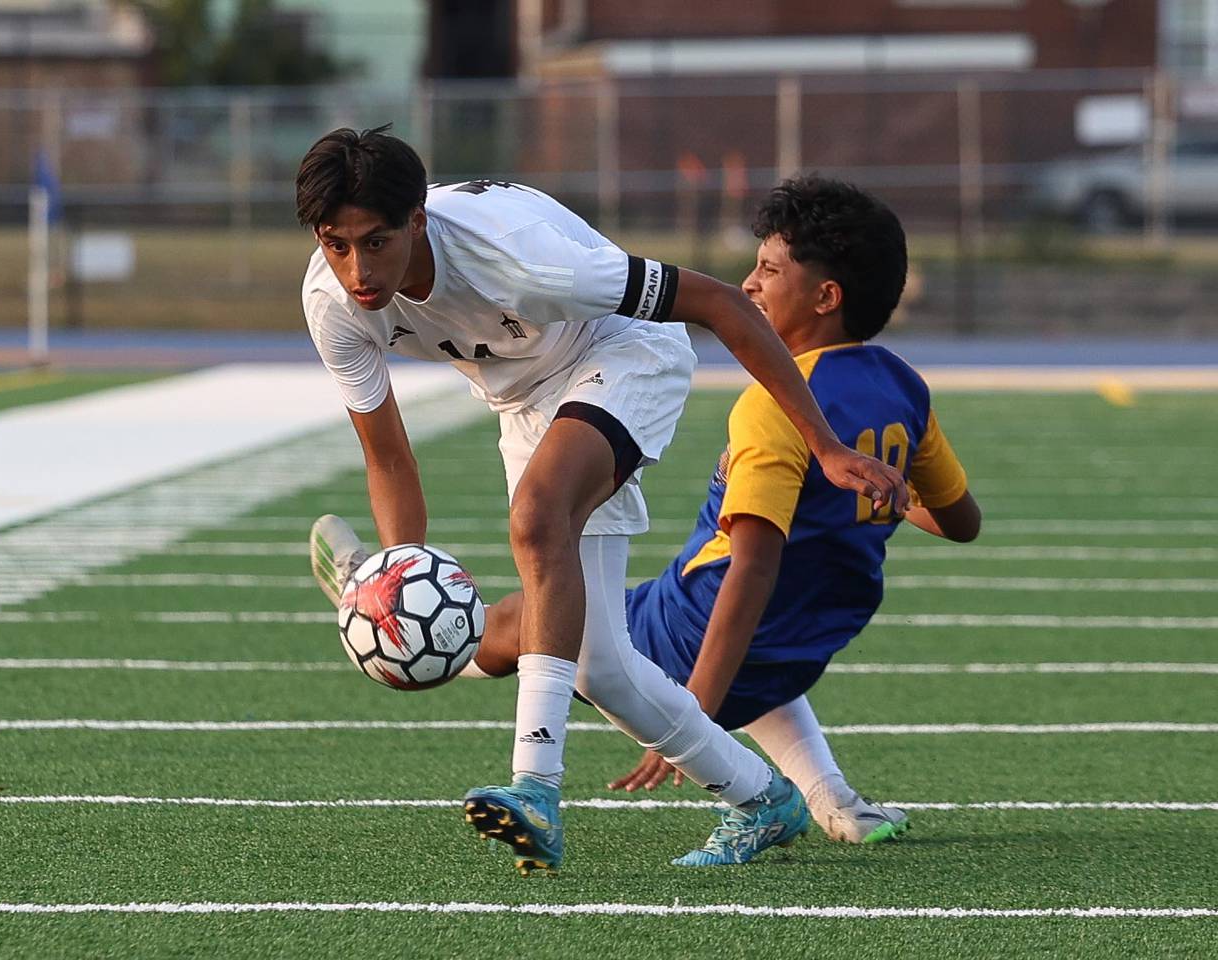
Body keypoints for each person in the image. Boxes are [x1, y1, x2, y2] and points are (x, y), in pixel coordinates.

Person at [298, 125, 908, 875]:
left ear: (419, 220)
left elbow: (719, 304)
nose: (358, 268)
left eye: (377, 241)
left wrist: (825, 445)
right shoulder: (332, 302)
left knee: (536, 519)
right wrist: (398, 577)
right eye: (336, 243)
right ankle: (761, 798)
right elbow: (389, 457)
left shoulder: (523, 262)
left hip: (624, 353)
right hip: (524, 401)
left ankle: (536, 787)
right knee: (600, 669)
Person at [416, 176, 984, 847]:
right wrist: (888, 496)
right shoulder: (903, 386)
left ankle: (402, 629)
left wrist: (692, 718)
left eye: (770, 270)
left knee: (522, 618)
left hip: (696, 635)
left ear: (826, 297)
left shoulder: (776, 404)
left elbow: (751, 570)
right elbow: (960, 521)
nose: (749, 285)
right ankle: (836, 800)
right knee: (741, 630)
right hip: (810, 641)